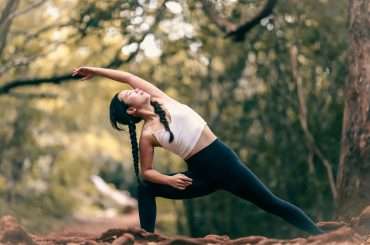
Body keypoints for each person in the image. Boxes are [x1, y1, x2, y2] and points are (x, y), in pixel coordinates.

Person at [72, 66, 325, 235]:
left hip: (225, 164)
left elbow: (126, 76)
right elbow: (147, 172)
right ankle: (145, 239)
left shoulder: (161, 99)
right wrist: (169, 179)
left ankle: (322, 237)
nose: (135, 89)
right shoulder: (147, 135)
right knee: (145, 188)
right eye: (129, 95)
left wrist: (92, 70)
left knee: (272, 203)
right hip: (199, 176)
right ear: (130, 111)